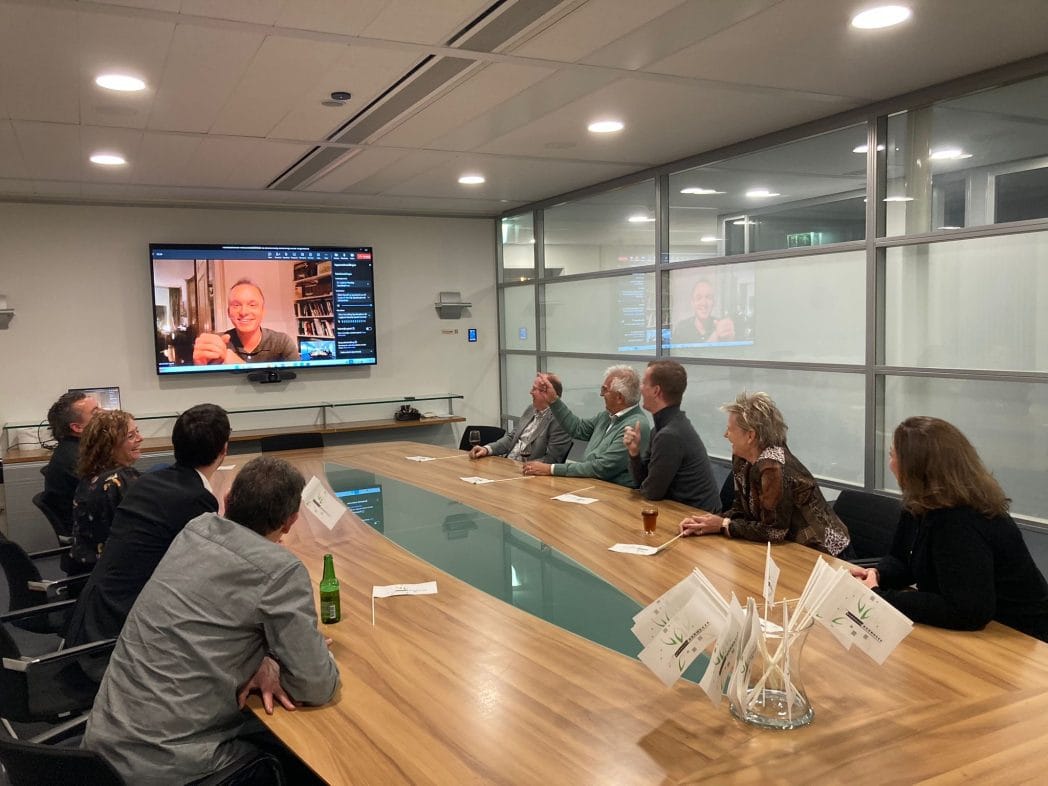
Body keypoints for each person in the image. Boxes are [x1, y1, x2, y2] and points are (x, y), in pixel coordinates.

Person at [82, 456, 340, 784]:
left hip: (100, 749)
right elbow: (315, 686)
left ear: (228, 500)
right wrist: (302, 657)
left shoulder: (195, 530)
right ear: (290, 522)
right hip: (164, 766)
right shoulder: (280, 571)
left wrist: (261, 658)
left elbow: (210, 621)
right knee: (305, 758)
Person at [851, 417, 1048, 640]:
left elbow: (966, 611)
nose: (890, 463)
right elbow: (902, 559)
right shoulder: (920, 503)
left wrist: (880, 597)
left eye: (892, 455)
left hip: (1019, 637)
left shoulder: (960, 521)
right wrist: (878, 575)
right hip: (980, 629)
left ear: (915, 468)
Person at [64, 403, 231, 647]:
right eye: (131, 435)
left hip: (96, 606)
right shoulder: (124, 483)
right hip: (124, 628)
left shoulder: (143, 482)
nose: (139, 438)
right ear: (224, 449)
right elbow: (210, 567)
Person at [679, 392, 851, 556]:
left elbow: (773, 531)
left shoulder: (773, 467)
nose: (725, 435)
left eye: (730, 429)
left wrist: (723, 525)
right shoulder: (742, 458)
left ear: (750, 436)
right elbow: (741, 510)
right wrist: (706, 522)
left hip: (824, 554)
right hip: (787, 549)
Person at [522, 366, 650, 488]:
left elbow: (601, 468)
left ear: (619, 397)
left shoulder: (635, 426)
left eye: (604, 390)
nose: (601, 395)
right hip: (590, 485)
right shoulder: (606, 416)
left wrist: (550, 469)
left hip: (613, 493)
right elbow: (578, 428)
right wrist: (553, 400)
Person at [623, 360, 721, 511]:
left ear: (656, 391)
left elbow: (651, 493)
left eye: (644, 383)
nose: (640, 388)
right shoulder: (665, 428)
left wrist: (645, 485)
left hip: (695, 518)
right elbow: (642, 483)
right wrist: (634, 453)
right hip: (681, 512)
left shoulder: (670, 435)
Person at [69, 410, 143, 569]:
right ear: (109, 446)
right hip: (115, 571)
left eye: (137, 432)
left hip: (87, 566)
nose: (140, 438)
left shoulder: (91, 476)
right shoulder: (120, 480)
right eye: (131, 436)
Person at [192, 278, 298, 365]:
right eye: (236, 305)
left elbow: (298, 382)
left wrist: (238, 365)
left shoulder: (281, 343)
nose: (244, 312)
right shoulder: (216, 345)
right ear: (228, 312)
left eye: (252, 305)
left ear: (263, 311)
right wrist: (200, 366)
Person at [470, 376, 572, 463]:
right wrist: (487, 449)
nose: (530, 392)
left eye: (534, 389)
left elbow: (552, 459)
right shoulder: (531, 409)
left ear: (547, 394)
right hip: (507, 464)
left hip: (528, 473)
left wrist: (527, 467)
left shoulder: (561, 420)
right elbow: (512, 438)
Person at [40, 391, 101, 536]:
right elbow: (109, 498)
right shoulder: (79, 460)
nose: (105, 414)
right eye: (96, 412)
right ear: (77, 427)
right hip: (90, 534)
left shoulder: (75, 449)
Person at [672, 279, 735, 344]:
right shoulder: (681, 329)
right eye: (698, 298)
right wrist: (715, 337)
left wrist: (730, 339)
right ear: (692, 303)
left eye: (708, 297)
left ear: (714, 302)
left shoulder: (721, 326)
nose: (704, 303)